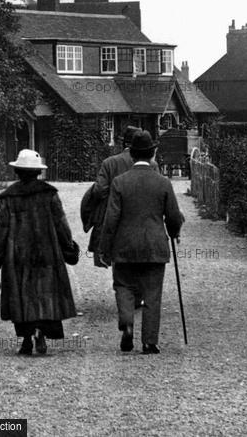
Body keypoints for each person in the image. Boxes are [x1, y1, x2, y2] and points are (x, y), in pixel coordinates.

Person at [0, 149, 78, 356]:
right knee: (45, 292)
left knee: (21, 294)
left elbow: (1, 228)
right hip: (47, 253)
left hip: (17, 254)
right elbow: (61, 224)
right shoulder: (49, 194)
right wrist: (68, 246)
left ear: (17, 171)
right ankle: (41, 333)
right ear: (38, 172)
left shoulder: (8, 197)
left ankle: (26, 339)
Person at [98, 130, 183, 354]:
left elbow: (111, 219)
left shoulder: (119, 183)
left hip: (124, 246)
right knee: (152, 293)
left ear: (132, 154)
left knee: (123, 285)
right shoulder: (163, 182)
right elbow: (173, 216)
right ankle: (149, 342)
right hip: (155, 246)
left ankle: (127, 323)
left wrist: (105, 248)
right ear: (153, 153)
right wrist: (174, 232)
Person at [83, 126, 158, 268]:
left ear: (124, 143)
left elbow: (99, 190)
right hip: (145, 218)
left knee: (118, 256)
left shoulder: (109, 163)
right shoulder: (152, 165)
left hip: (115, 217)